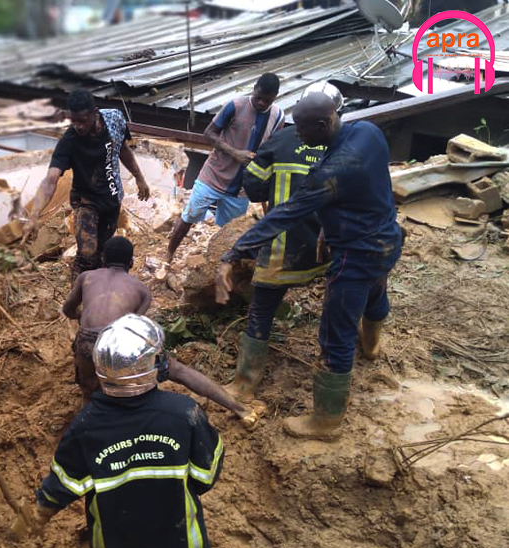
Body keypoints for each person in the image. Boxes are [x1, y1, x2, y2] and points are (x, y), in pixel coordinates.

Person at [217, 93, 403, 441]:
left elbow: (286, 213)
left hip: (354, 254)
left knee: (336, 334)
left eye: (302, 128)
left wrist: (234, 253)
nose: (297, 133)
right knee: (376, 291)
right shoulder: (367, 131)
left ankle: (326, 421)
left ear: (323, 123)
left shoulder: (330, 174)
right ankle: (373, 345)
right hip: (386, 239)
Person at [31, 314, 223, 548]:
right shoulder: (184, 414)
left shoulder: (85, 426)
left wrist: (38, 515)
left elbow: (59, 488)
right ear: (151, 365)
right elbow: (206, 476)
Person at [222, 83, 343, 402]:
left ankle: (244, 385)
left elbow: (255, 188)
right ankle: (364, 350)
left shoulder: (281, 141)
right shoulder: (347, 146)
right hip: (331, 246)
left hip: (282, 246)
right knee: (345, 309)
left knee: (261, 311)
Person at [63, 236, 256, 427]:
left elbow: (67, 310)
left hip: (86, 342)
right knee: (178, 371)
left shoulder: (86, 277)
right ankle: (241, 410)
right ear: (131, 262)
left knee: (89, 393)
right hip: (118, 342)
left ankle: (85, 432)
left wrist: (82, 316)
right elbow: (131, 328)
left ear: (103, 258)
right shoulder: (141, 290)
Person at [24, 89, 150, 283]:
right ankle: (78, 291)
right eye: (73, 120)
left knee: (102, 253)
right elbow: (51, 180)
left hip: (112, 199)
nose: (78, 126)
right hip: (86, 200)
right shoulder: (69, 142)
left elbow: (122, 149)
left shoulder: (114, 119)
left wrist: (139, 177)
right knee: (87, 252)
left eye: (82, 120)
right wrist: (34, 215)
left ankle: (97, 288)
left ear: (94, 112)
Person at [166, 73, 285, 262]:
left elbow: (273, 148)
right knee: (189, 216)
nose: (261, 103)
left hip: (242, 188)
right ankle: (168, 255)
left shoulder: (278, 116)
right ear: (254, 88)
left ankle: (215, 269)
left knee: (228, 233)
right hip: (213, 176)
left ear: (276, 96)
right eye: (258, 97)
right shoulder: (236, 105)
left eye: (267, 100)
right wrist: (235, 153)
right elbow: (209, 134)